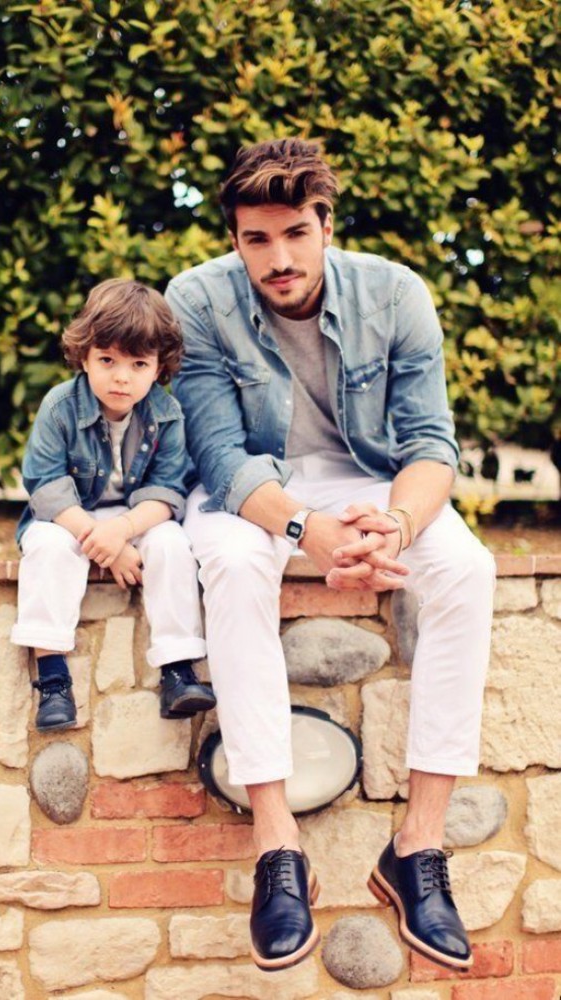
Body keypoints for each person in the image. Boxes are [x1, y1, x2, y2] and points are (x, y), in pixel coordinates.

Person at [165, 139, 495, 973]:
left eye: (295, 234)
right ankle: (277, 847)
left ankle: (417, 847)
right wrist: (307, 530)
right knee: (233, 565)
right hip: (254, 489)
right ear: (234, 240)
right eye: (256, 240)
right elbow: (218, 456)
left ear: (325, 225)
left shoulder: (395, 292)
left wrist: (396, 527)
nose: (278, 259)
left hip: (376, 482)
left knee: (467, 570)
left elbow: (430, 444)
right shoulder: (196, 300)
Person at [11, 278, 215, 730]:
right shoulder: (60, 406)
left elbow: (167, 492)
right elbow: (45, 486)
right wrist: (104, 544)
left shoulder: (165, 413)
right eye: (107, 360)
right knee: (46, 547)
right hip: (68, 516)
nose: (122, 376)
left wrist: (122, 532)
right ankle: (52, 677)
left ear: (158, 368)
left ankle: (178, 667)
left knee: (170, 543)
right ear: (84, 356)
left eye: (138, 364)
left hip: (135, 517)